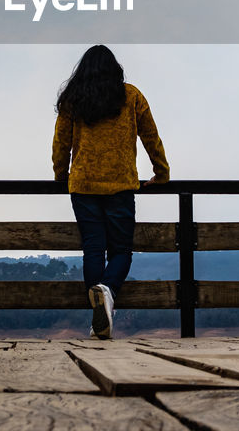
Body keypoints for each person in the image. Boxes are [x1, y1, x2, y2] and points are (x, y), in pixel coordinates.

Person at [52, 44, 170, 340]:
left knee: (93, 247)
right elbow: (150, 136)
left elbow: (60, 143)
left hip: (83, 184)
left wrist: (59, 175)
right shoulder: (130, 95)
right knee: (121, 251)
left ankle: (97, 317)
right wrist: (161, 172)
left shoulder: (73, 100)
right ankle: (107, 292)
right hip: (120, 184)